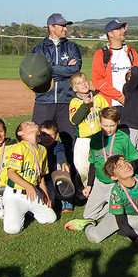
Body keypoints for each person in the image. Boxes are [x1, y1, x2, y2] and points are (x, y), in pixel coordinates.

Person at [65, 155, 138, 250]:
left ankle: (125, 231)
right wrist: (136, 240)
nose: (126, 166)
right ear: (114, 177)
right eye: (120, 166)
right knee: (94, 238)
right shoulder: (117, 193)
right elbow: (120, 220)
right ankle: (87, 224)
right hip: (118, 217)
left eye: (126, 162)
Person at [31, 13, 82, 165]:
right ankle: (42, 177)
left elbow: (75, 69)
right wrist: (65, 69)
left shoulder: (72, 47)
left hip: (67, 100)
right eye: (62, 25)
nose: (65, 28)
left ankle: (70, 180)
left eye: (66, 25)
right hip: (44, 100)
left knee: (69, 141)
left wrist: (50, 70)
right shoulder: (39, 49)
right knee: (39, 140)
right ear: (51, 27)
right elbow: (38, 72)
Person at [83, 107, 138, 222]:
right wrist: (89, 185)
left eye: (112, 126)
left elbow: (132, 161)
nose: (108, 129)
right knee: (88, 216)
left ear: (118, 123)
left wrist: (129, 182)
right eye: (105, 125)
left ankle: (117, 206)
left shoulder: (123, 138)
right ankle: (112, 207)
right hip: (100, 183)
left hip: (116, 184)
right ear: (100, 123)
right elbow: (93, 163)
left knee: (123, 212)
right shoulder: (95, 139)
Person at [3, 121, 57, 234]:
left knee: (50, 219)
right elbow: (11, 173)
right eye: (27, 124)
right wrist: (28, 186)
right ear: (20, 133)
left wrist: (46, 195)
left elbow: (40, 176)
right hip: (15, 194)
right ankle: (11, 207)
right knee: (12, 229)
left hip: (33, 192)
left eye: (32, 122)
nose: (32, 123)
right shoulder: (19, 147)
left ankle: (26, 210)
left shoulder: (42, 150)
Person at [68, 71, 110, 194]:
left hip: (98, 137)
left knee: (100, 165)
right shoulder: (74, 102)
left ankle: (99, 190)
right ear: (75, 88)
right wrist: (85, 106)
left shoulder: (98, 98)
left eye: (85, 81)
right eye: (79, 83)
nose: (84, 84)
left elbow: (107, 114)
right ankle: (83, 191)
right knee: (82, 168)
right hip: (83, 139)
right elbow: (75, 120)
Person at [92, 20, 138, 106]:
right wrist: (119, 96)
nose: (124, 30)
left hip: (130, 104)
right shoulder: (101, 54)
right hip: (109, 105)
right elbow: (97, 80)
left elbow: (137, 77)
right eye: (119, 29)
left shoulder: (131, 53)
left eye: (124, 28)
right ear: (110, 34)